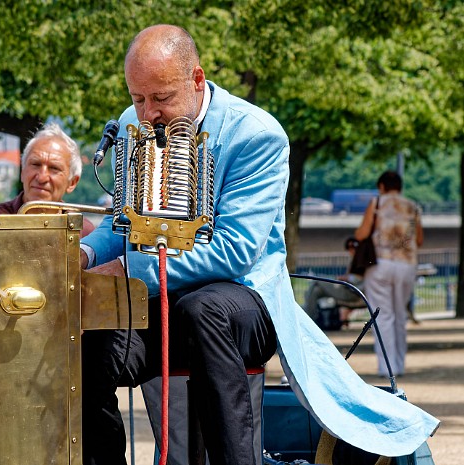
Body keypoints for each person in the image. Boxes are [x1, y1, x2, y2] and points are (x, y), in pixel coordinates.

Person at [80, 24, 437, 465]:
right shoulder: (135, 124)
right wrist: (85, 255)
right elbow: (122, 222)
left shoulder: (257, 133)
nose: (148, 114)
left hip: (245, 302)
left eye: (162, 98)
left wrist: (129, 273)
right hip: (162, 301)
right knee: (85, 343)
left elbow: (234, 251)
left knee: (202, 311)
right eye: (138, 99)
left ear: (196, 80)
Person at [355, 170, 424, 377]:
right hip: (406, 264)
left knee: (382, 315)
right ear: (400, 187)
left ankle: (387, 367)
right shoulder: (412, 207)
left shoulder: (377, 203)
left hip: (381, 263)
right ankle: (400, 365)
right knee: (400, 315)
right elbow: (418, 239)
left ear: (382, 186)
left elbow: (362, 233)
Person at [0, 122, 95, 237]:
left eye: (54, 168)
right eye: (35, 164)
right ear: (22, 171)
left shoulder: (83, 232)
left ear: (72, 183)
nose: (42, 177)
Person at [303, 237, 365, 330]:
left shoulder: (361, 260)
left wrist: (344, 277)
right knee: (316, 291)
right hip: (346, 288)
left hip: (353, 292)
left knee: (317, 281)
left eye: (353, 248)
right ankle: (308, 319)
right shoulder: (354, 260)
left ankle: (306, 317)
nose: (351, 251)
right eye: (349, 248)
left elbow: (359, 278)